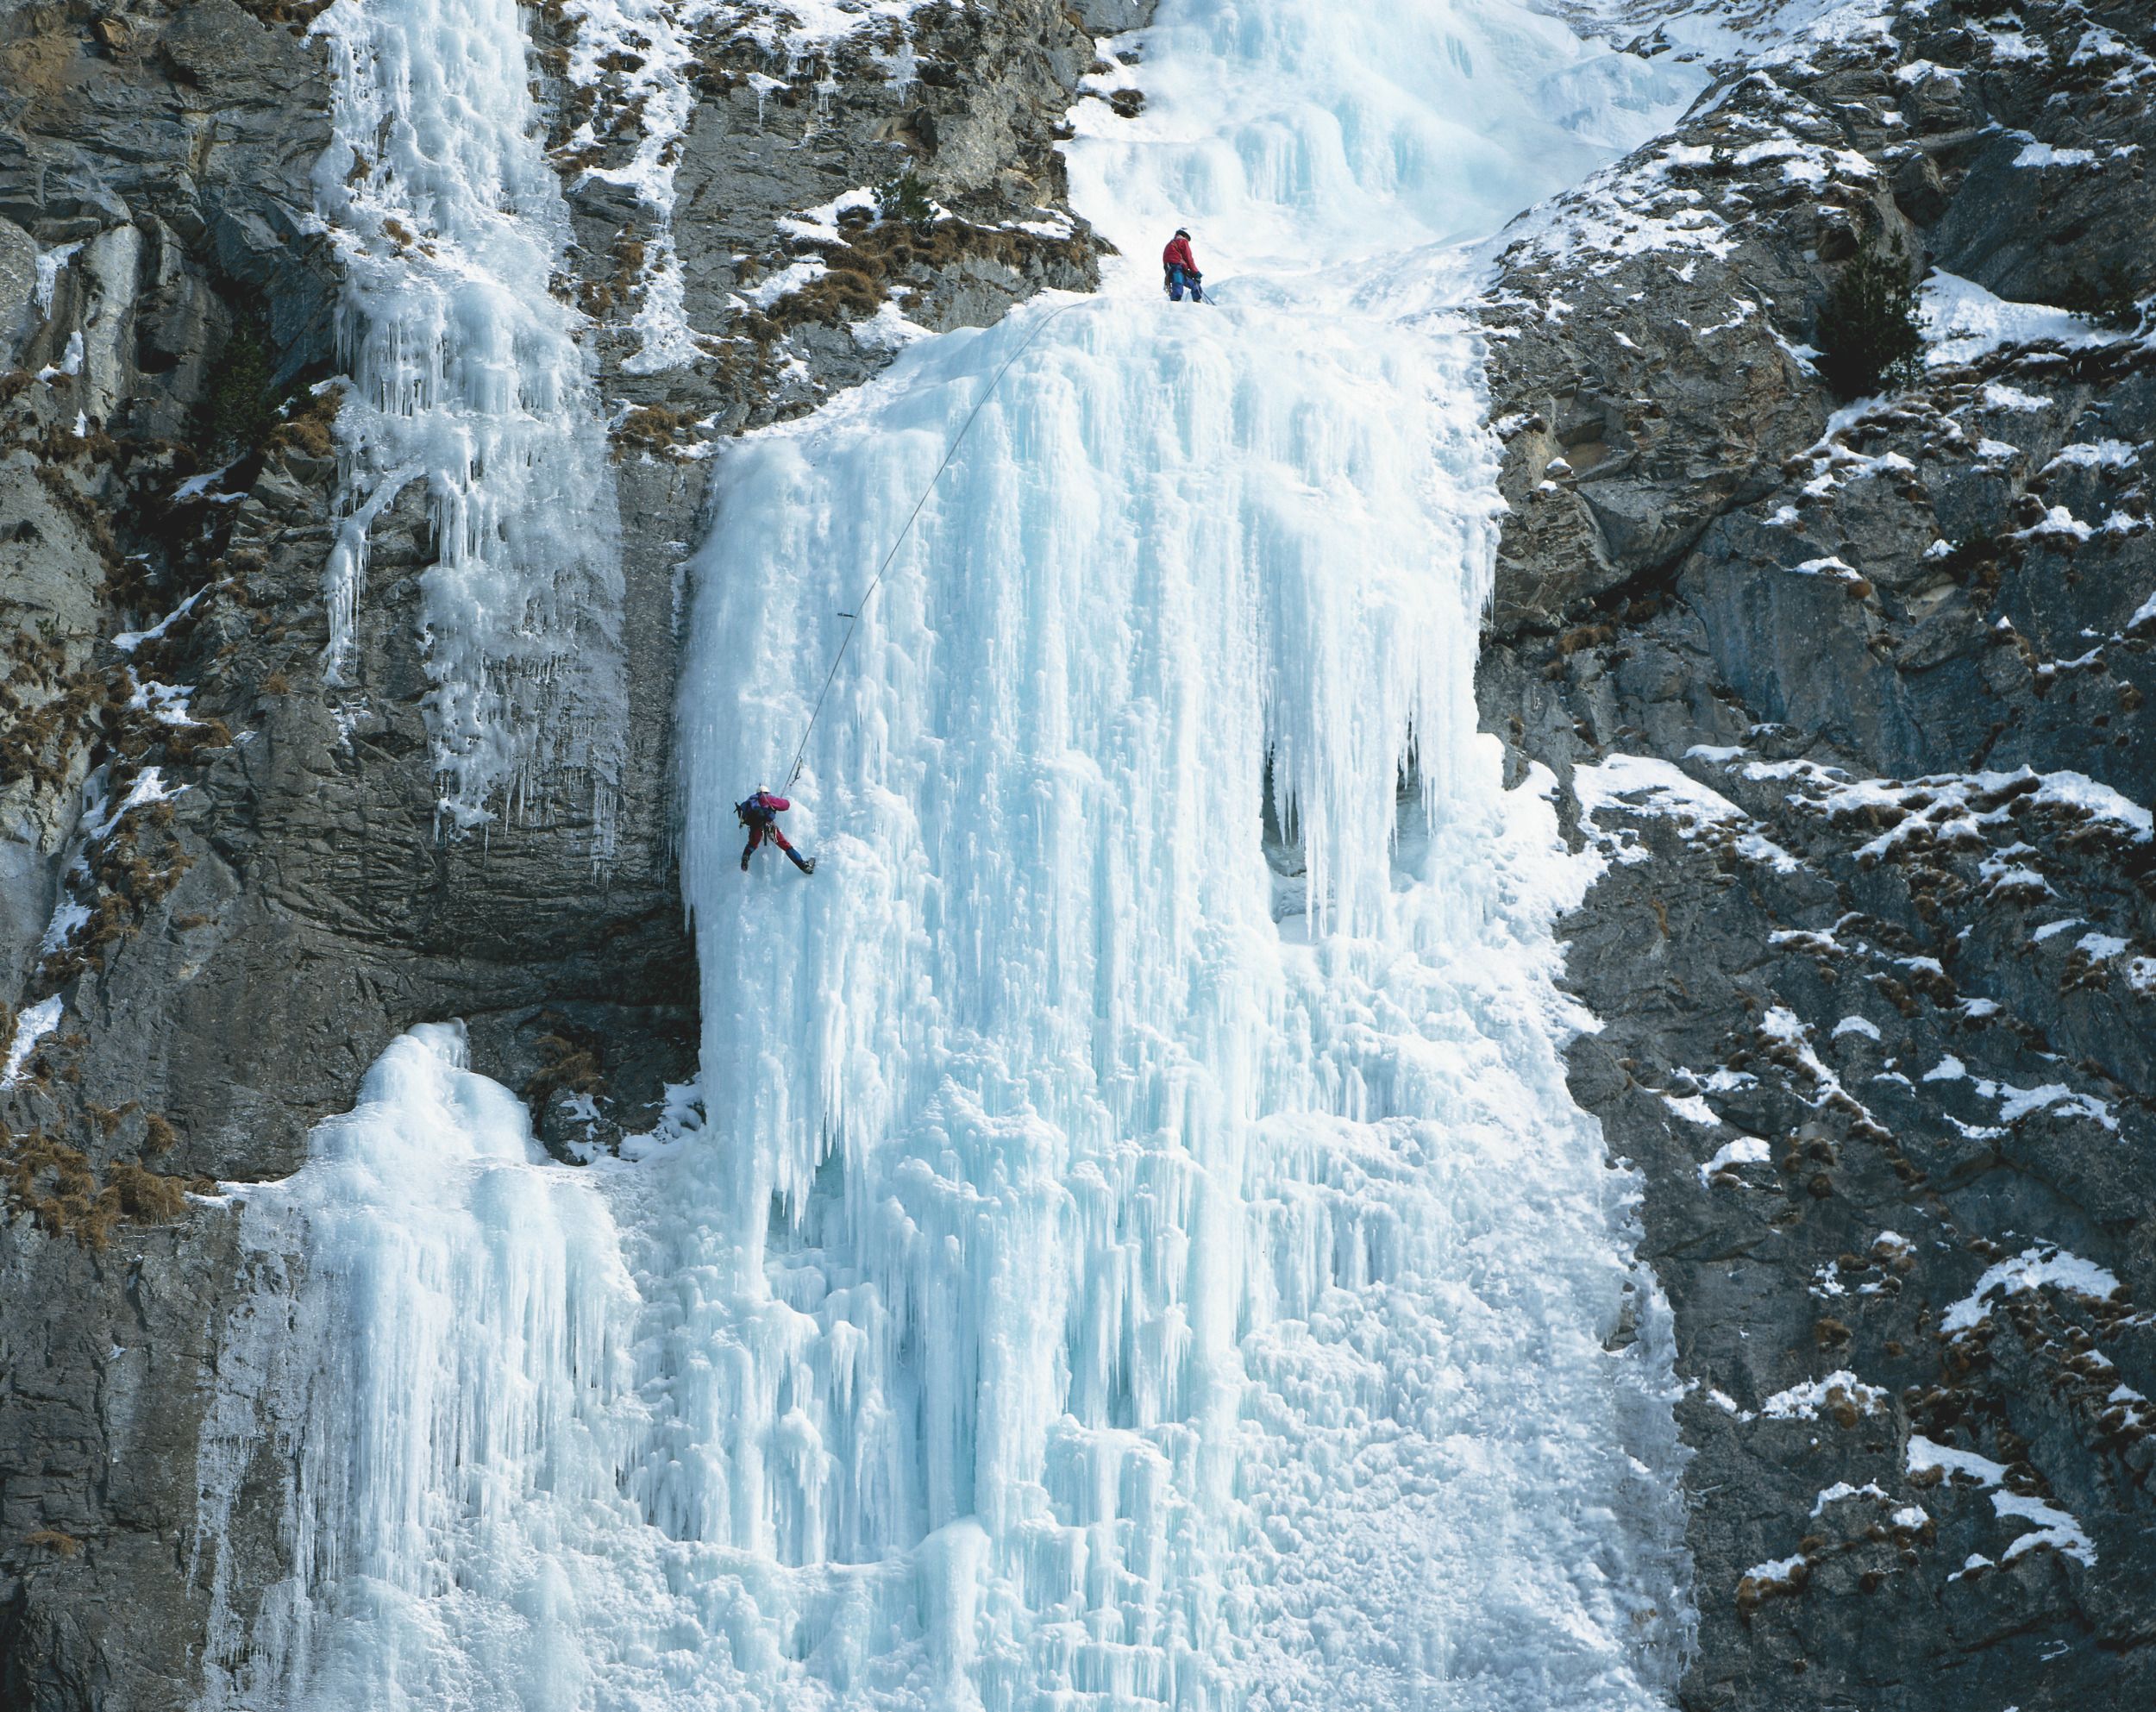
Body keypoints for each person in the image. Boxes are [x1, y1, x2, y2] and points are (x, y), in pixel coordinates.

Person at [737, 787, 816, 874]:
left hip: (755, 827)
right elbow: (786, 805)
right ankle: (803, 865)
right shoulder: (766, 797)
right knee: (785, 845)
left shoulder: (748, 802)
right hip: (768, 825)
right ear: (766, 792)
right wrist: (777, 802)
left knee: (752, 844)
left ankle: (745, 857)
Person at [1162, 228, 1204, 303]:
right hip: (1177, 266)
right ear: (1185, 236)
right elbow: (1188, 258)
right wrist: (1196, 273)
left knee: (1178, 282)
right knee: (1181, 283)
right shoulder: (1182, 241)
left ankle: (1175, 301)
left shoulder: (1170, 244)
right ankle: (1196, 302)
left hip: (1170, 268)